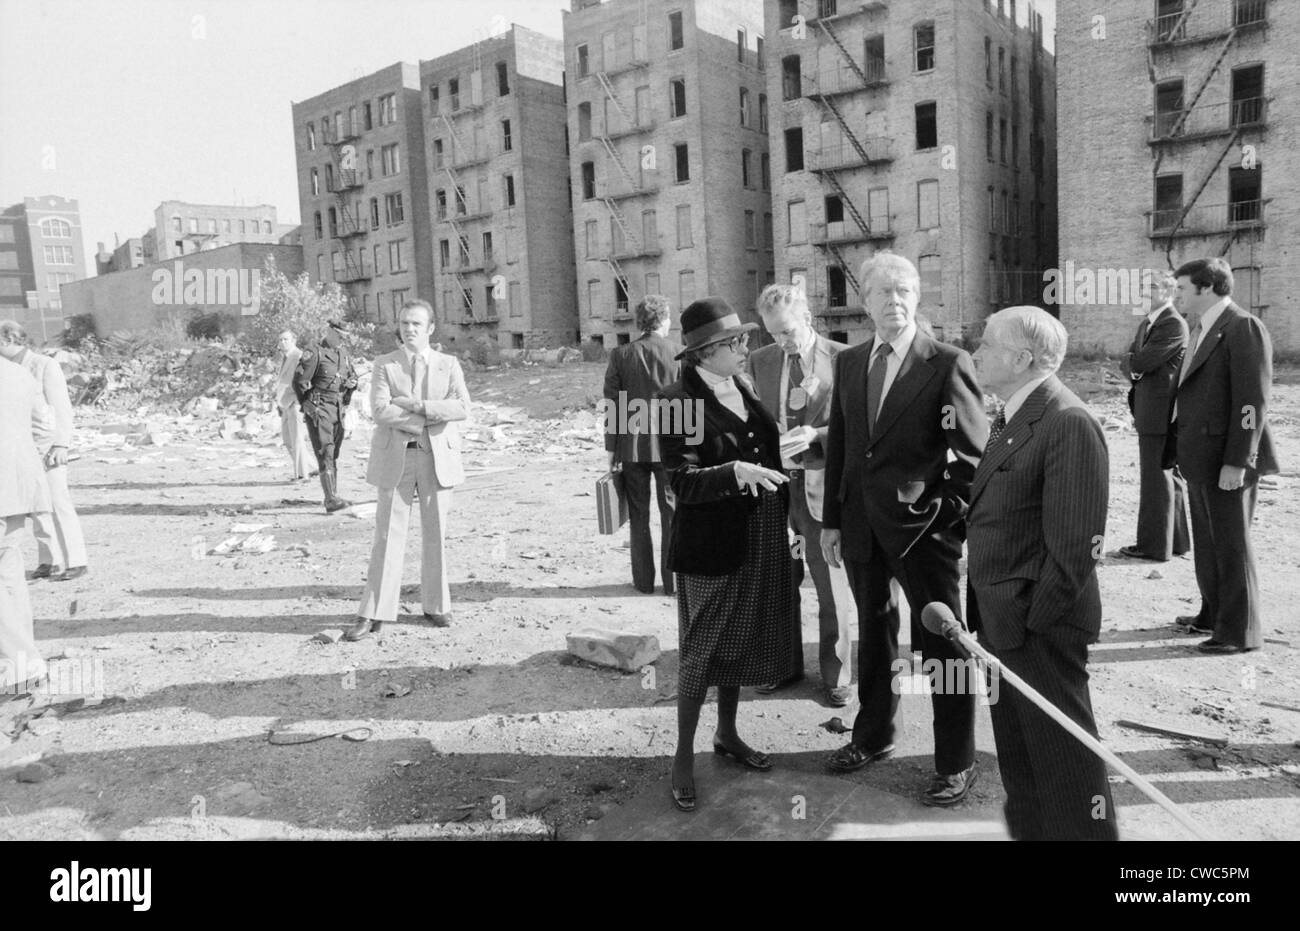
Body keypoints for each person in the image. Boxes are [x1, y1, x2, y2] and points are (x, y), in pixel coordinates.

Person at [821, 253, 985, 807]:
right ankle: (873, 736)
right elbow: (842, 446)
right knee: (875, 634)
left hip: (925, 533)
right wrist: (832, 522)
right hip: (862, 528)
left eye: (904, 292)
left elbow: (972, 458)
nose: (894, 301)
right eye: (882, 292)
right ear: (864, 301)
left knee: (943, 646)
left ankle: (955, 762)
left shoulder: (946, 362)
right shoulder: (848, 364)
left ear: (917, 298)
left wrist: (945, 520)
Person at [967, 305, 1117, 840]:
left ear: (1022, 358)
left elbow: (1075, 551)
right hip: (1004, 623)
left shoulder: (1067, 421)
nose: (977, 353)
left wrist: (1031, 625)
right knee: (1024, 765)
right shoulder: (1014, 413)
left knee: (1068, 770)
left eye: (986, 344)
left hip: (1037, 629)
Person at [657, 298, 793, 813]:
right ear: (704, 353)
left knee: (743, 635)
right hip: (711, 541)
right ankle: (681, 759)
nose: (745, 348)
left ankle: (728, 734)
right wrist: (734, 472)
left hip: (759, 529)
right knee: (702, 649)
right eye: (735, 343)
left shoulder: (742, 386)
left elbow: (762, 449)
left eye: (743, 340)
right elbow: (679, 481)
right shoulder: (678, 401)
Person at [746, 284, 853, 707]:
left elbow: (855, 427)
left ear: (808, 317)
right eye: (773, 334)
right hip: (775, 489)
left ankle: (837, 673)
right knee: (778, 582)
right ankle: (782, 664)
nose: (782, 342)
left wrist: (817, 434)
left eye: (788, 331)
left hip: (821, 490)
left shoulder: (843, 359)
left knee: (831, 584)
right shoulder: (760, 360)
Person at [347, 300, 470, 641]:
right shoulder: (385, 365)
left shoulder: (449, 364)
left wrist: (418, 406)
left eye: (417, 323)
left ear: (431, 328)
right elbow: (380, 411)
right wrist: (430, 418)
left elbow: (462, 406)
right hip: (397, 460)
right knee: (387, 537)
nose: (409, 329)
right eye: (404, 323)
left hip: (437, 460)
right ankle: (374, 611)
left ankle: (436, 605)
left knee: (436, 535)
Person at [1171, 258, 1277, 653]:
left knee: (1231, 543)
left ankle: (1239, 632)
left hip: (1228, 457)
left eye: (1182, 288)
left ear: (1207, 288)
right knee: (1209, 540)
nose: (1176, 295)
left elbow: (1252, 401)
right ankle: (1213, 612)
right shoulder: (1204, 328)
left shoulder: (1242, 326)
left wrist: (1240, 460)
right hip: (1200, 454)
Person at [602, 295, 681, 595]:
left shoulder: (621, 355)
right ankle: (673, 582)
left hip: (632, 446)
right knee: (672, 513)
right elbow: (691, 402)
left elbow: (613, 406)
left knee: (639, 516)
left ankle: (643, 582)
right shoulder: (679, 353)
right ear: (663, 320)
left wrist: (611, 451)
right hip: (671, 447)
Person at [0, 320, 88, 582]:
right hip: (22, 447)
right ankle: (49, 560)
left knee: (58, 502)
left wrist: (62, 443)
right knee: (35, 505)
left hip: (48, 446)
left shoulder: (43, 365)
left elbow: (61, 408)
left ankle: (76, 560)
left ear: (7, 341)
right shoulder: (7, 370)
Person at [1116, 272, 1190, 561]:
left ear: (1168, 291)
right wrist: (1134, 363)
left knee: (1156, 479)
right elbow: (1132, 361)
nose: (1143, 292)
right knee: (1168, 477)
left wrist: (1134, 363)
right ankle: (1175, 542)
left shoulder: (1172, 323)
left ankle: (1153, 546)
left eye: (1150, 287)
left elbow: (1141, 360)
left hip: (1162, 413)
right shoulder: (1148, 322)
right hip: (1151, 410)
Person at [0, 354, 53, 693]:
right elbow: (45, 426)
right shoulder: (18, 373)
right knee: (8, 574)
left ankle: (15, 666)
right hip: (16, 486)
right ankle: (24, 662)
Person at [295, 319, 358, 512]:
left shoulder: (343, 353)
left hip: (337, 408)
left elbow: (352, 377)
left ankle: (334, 495)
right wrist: (306, 403)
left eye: (344, 337)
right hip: (319, 407)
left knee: (334, 453)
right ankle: (330, 499)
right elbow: (299, 380)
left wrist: (351, 385)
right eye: (339, 336)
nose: (342, 340)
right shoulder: (314, 352)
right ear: (329, 331)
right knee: (325, 451)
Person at [274, 330, 314, 482]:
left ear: (294, 340)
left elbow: (303, 381)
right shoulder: (286, 357)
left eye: (286, 339)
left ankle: (303, 475)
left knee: (297, 440)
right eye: (280, 339)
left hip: (295, 402)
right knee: (288, 440)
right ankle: (312, 468)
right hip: (285, 403)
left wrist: (300, 400)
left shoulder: (298, 356)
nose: (283, 342)